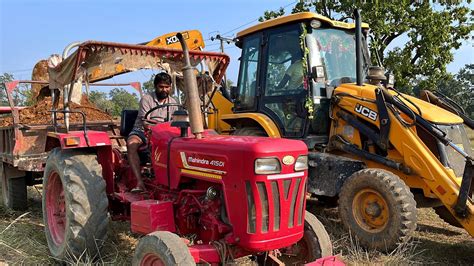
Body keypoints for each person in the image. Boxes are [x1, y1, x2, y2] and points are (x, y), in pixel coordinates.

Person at [127, 72, 178, 192]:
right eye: (161, 86)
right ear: (155, 86)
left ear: (170, 87)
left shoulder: (173, 103)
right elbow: (145, 122)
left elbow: (175, 123)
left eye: (167, 87)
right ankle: (139, 182)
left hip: (165, 133)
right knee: (131, 144)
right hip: (142, 131)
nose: (164, 89)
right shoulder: (146, 99)